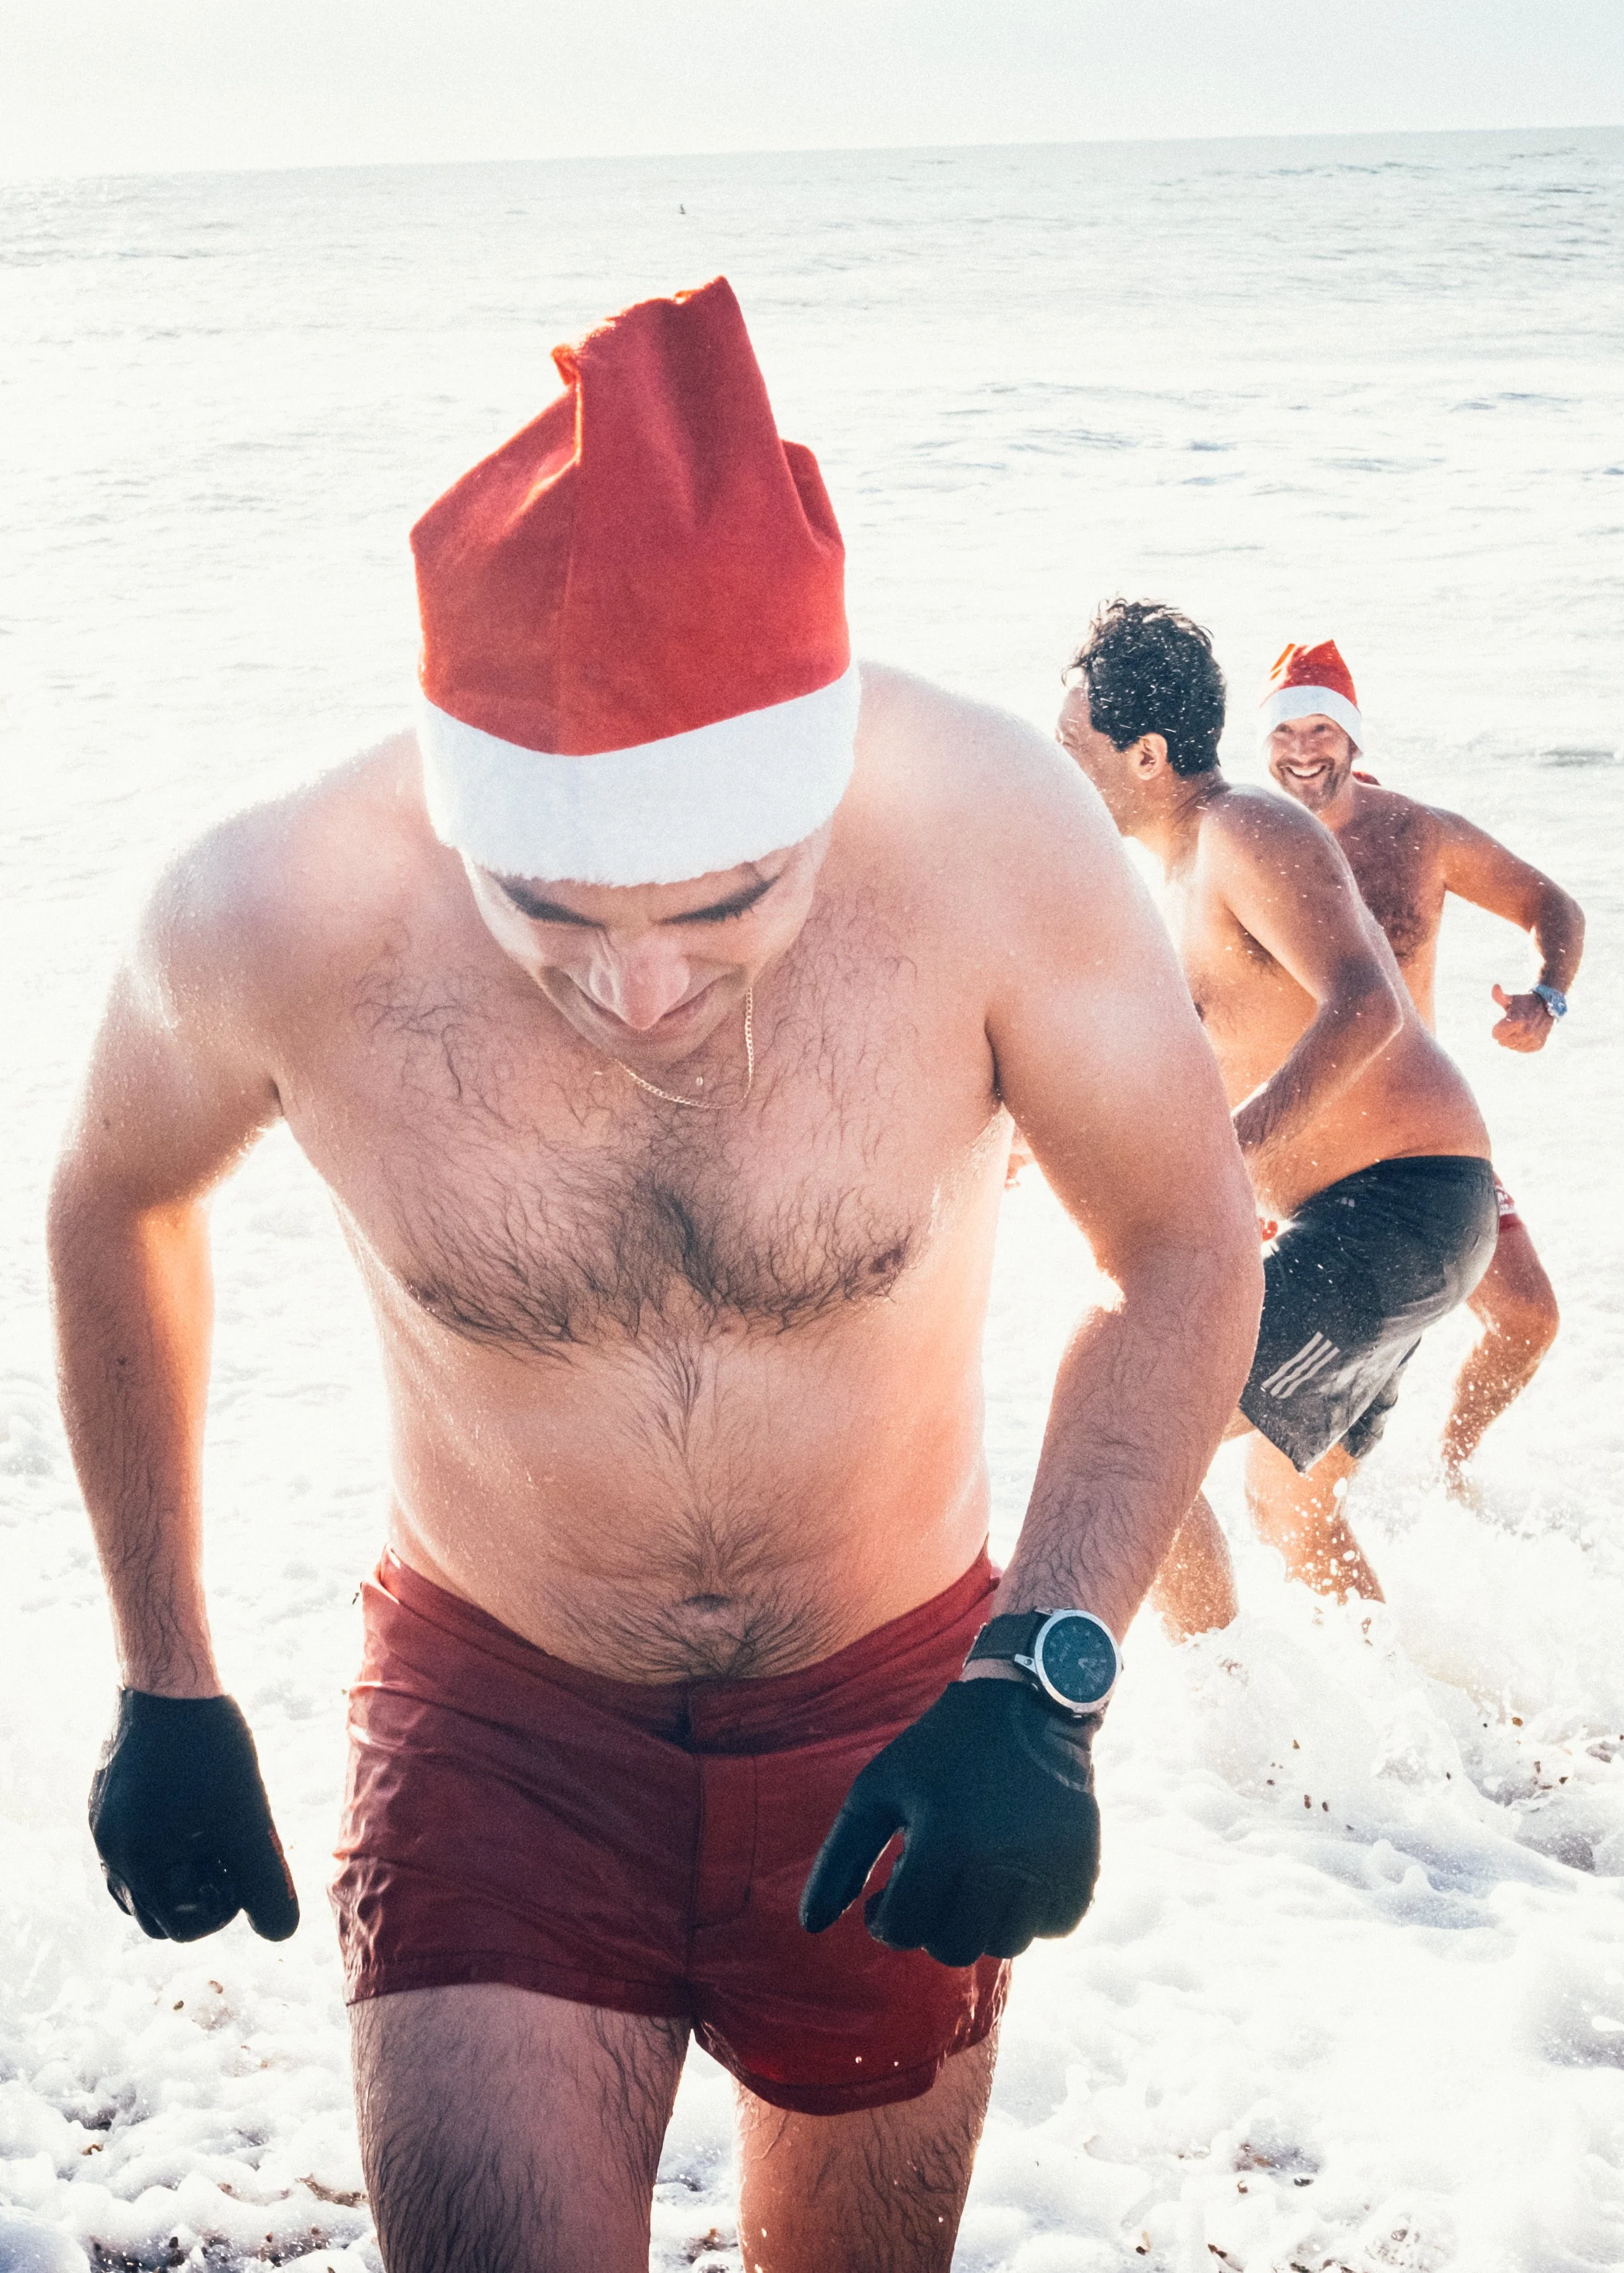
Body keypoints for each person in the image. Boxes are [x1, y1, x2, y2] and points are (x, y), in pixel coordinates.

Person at [50, 284, 1262, 2273]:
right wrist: (164, 1677)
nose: (638, 990)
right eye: (546, 911)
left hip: (897, 1700)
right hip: (500, 1707)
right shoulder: (275, 909)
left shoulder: (987, 843)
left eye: (722, 906)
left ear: (820, 788)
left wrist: (1040, 1673)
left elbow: (1182, 1242)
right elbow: (115, 1196)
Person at [1057, 599, 1498, 1637]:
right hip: (1381, 1223)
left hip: (1399, 1211)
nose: (1059, 770)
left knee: (1139, 1450)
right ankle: (1437, 1753)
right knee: (1287, 1508)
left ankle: (1246, 1751)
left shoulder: (1243, 828)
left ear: (1149, 754)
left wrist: (1227, 1159)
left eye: (1074, 748)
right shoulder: (1176, 876)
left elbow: (1371, 1006)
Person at [1260, 639, 1584, 1493]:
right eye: (1285, 731)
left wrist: (1547, 997)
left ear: (1355, 738)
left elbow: (1552, 904)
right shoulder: (1241, 850)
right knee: (1301, 1435)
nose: (1303, 748)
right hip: (1300, 1161)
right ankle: (1307, 1523)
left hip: (1424, 1154)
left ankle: (1453, 1471)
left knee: (1528, 1318)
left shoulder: (1417, 835)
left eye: (1322, 728)